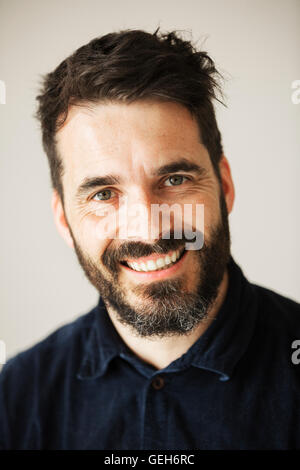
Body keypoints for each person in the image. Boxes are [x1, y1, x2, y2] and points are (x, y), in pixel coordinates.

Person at [0, 28, 299, 451]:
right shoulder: (16, 398)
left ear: (224, 185)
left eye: (174, 179)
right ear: (64, 219)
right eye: (104, 194)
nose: (150, 231)